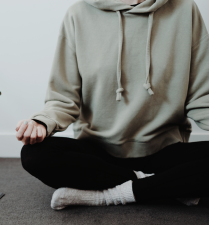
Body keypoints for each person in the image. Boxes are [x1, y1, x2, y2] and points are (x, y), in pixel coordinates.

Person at [15, 0, 209, 210]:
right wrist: (42, 123)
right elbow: (63, 98)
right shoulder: (78, 14)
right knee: (34, 155)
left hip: (164, 150)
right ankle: (163, 184)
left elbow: (202, 96)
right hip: (99, 153)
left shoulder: (185, 9)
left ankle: (110, 195)